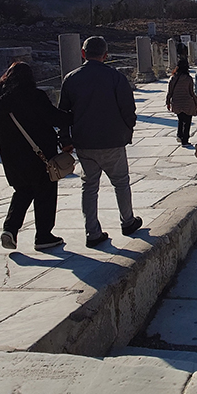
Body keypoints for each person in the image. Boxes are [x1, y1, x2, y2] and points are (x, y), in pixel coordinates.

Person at [58, 36, 143, 247]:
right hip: (113, 140)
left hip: (84, 143)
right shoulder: (116, 77)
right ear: (106, 55)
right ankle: (128, 221)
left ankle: (92, 232)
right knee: (121, 183)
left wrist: (66, 139)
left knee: (89, 187)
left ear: (83, 53)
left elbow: (63, 114)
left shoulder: (70, 78)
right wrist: (127, 129)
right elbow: (128, 109)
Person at [0, 62, 74, 251]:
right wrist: (74, 116)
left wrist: (8, 142)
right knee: (45, 193)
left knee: (22, 191)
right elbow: (55, 118)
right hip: (39, 154)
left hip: (11, 156)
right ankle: (43, 236)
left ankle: (10, 229)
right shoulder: (34, 96)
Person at [166, 58, 197, 147]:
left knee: (181, 119)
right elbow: (192, 92)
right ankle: (185, 140)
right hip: (187, 102)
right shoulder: (188, 79)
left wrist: (168, 102)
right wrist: (196, 102)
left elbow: (170, 92)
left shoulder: (173, 78)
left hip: (177, 102)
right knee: (187, 122)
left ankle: (179, 135)